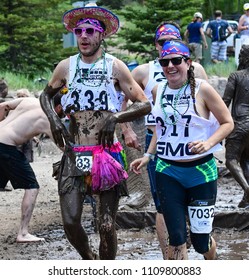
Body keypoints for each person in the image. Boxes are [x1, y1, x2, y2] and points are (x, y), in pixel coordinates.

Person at [39, 3, 150, 260]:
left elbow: (144, 103)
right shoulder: (65, 67)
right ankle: (89, 259)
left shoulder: (116, 66)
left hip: (106, 153)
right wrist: (54, 120)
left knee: (107, 225)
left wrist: (117, 118)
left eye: (90, 31)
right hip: (75, 152)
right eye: (79, 31)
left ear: (101, 35)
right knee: (70, 222)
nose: (84, 36)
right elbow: (46, 96)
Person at [130, 40, 234, 260]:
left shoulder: (202, 89)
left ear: (188, 63)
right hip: (167, 171)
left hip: (201, 174)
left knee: (200, 242)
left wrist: (207, 144)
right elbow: (160, 128)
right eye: (165, 62)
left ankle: (213, 263)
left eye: (176, 61)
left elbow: (227, 122)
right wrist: (148, 155)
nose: (170, 66)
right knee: (176, 237)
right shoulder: (159, 90)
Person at [0, 94, 64, 242]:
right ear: (59, 107)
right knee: (32, 187)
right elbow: (63, 147)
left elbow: (2, 106)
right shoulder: (49, 119)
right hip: (6, 146)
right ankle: (23, 233)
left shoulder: (30, 100)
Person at [223, 44, 249, 208]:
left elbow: (224, 101)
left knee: (231, 160)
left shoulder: (236, 76)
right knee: (245, 159)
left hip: (240, 123)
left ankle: (247, 189)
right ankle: (246, 198)